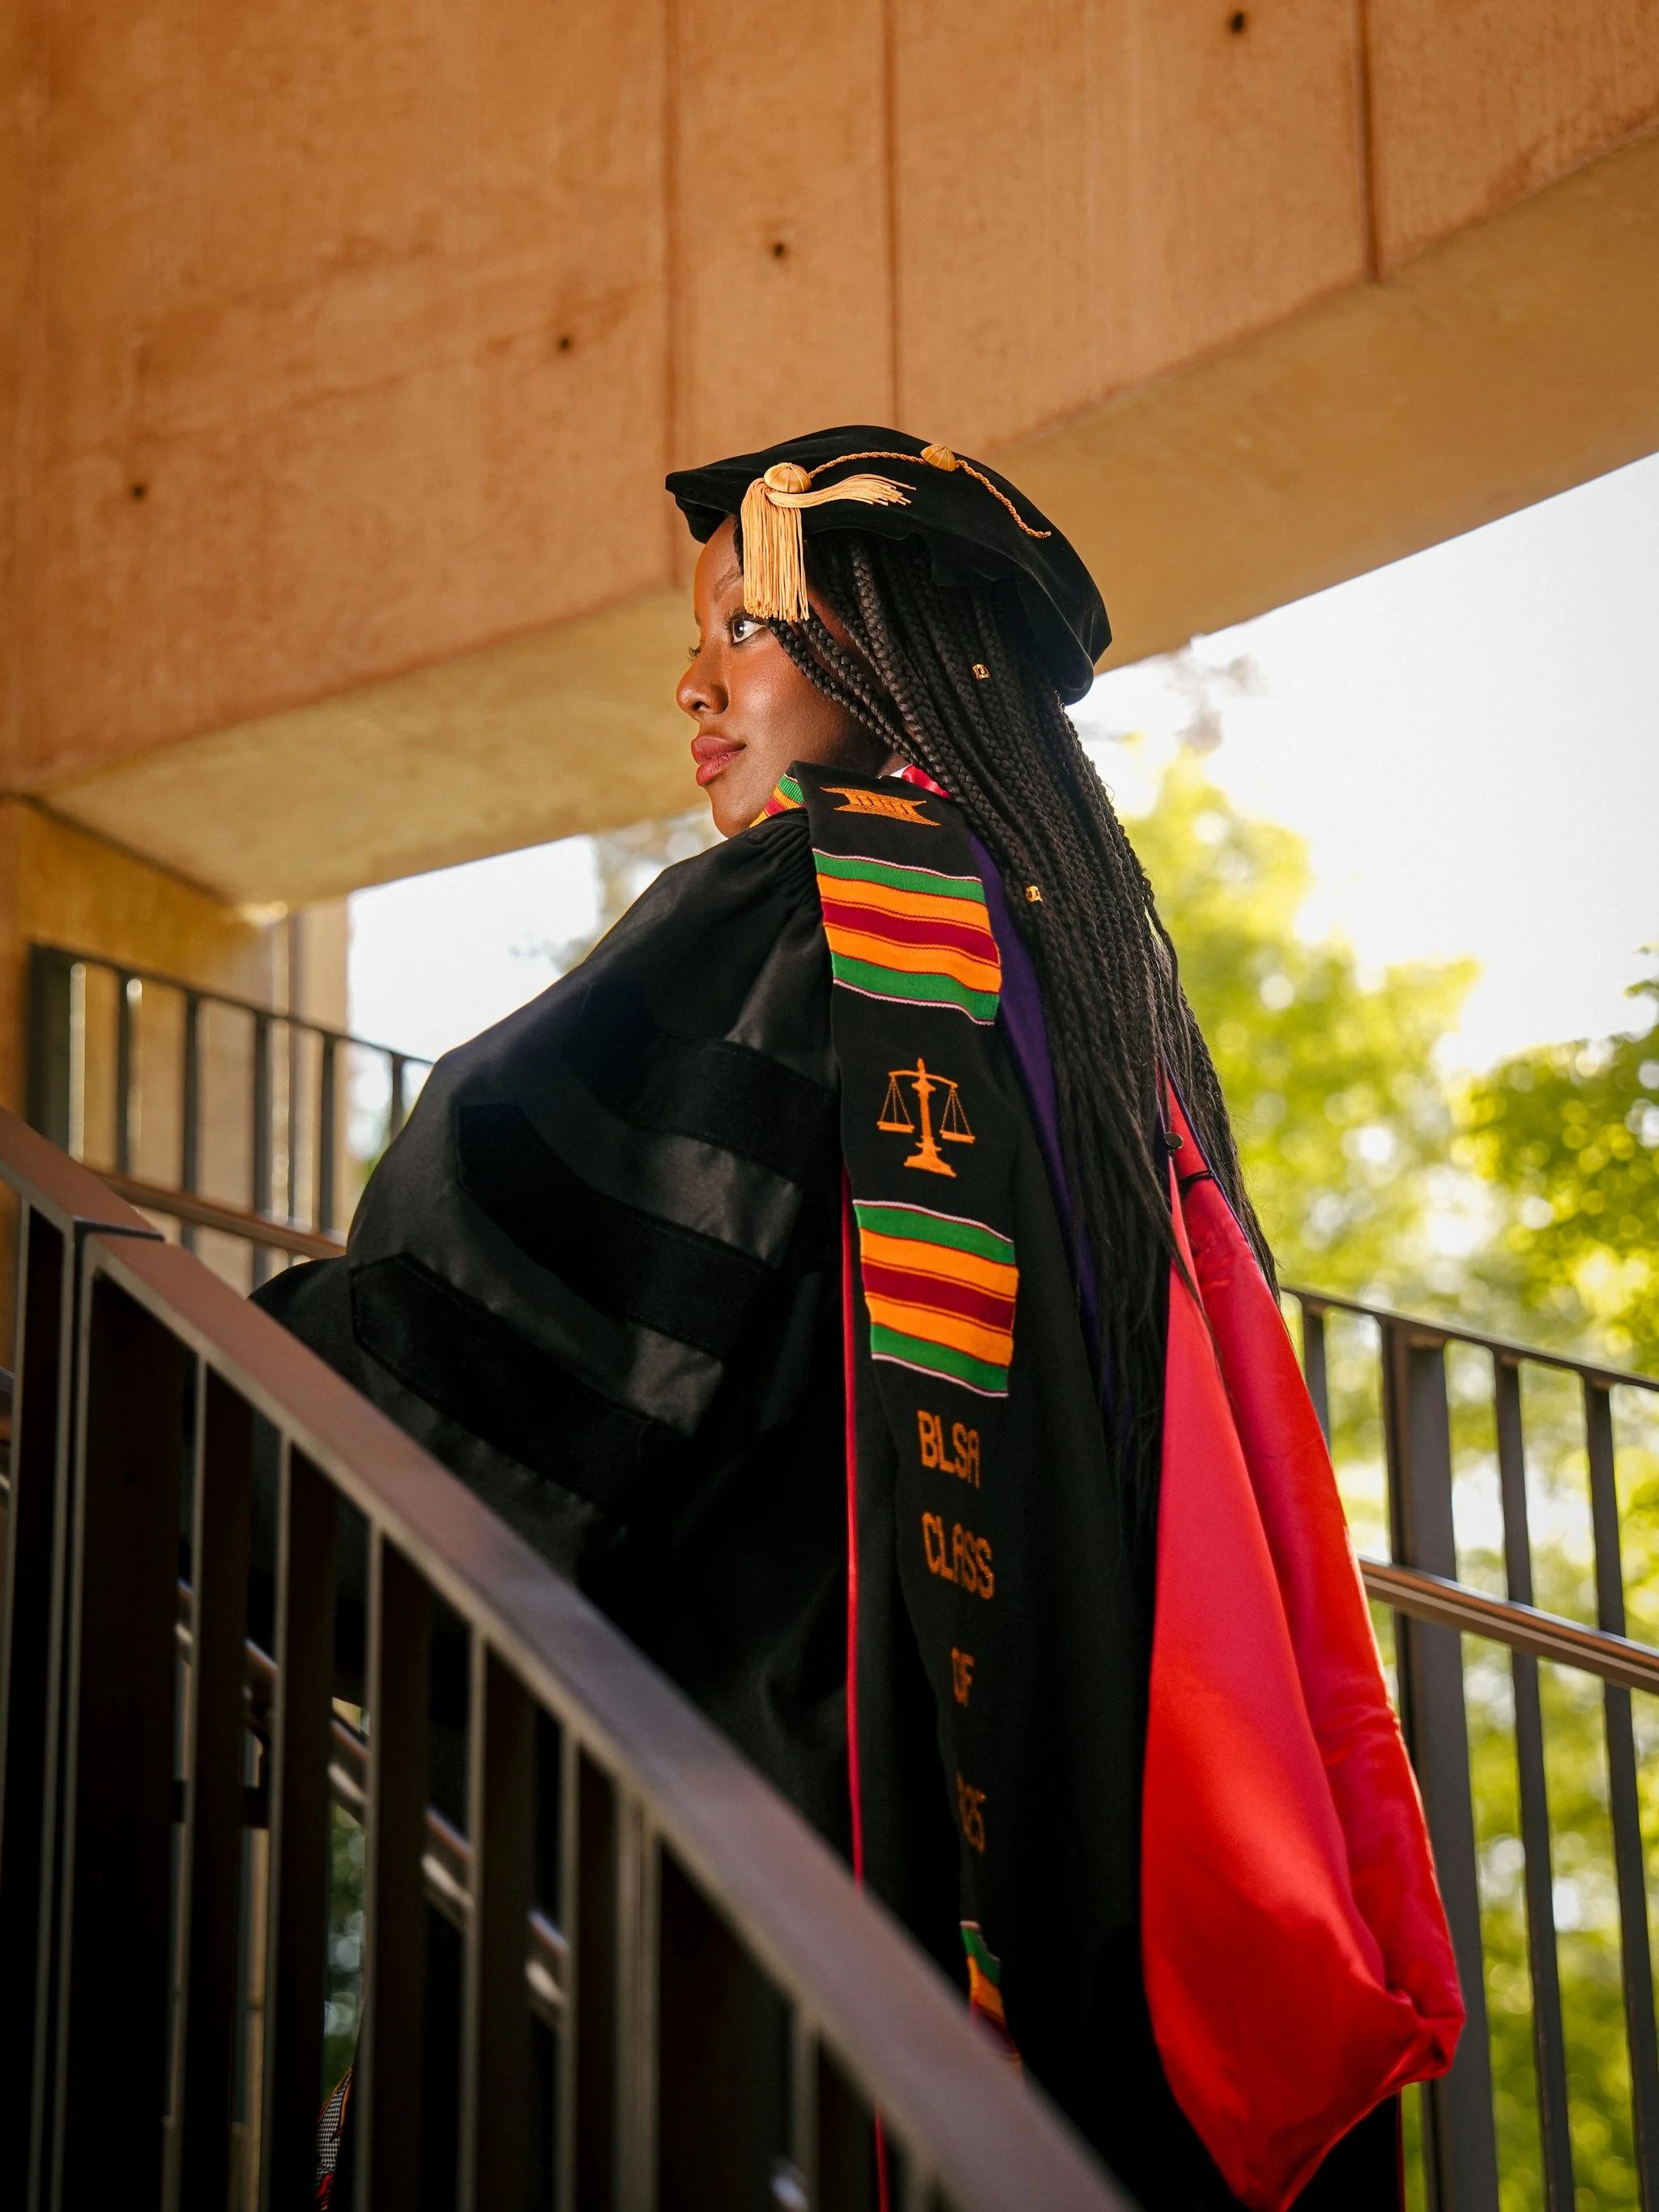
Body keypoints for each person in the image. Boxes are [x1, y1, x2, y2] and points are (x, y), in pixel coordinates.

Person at [258, 428, 1462, 2210]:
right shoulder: (1079, 990)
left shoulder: (819, 904)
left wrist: (240, 1394)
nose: (690, 682)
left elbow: (531, 1338)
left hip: (771, 1801)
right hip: (1014, 1866)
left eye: (737, 628)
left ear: (881, 647)